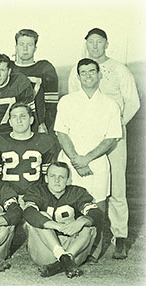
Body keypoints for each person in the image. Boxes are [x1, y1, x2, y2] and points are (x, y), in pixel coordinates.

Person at [68, 28, 140, 259]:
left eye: (100, 42)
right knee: (90, 186)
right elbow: (74, 103)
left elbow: (133, 103)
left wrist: (116, 127)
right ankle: (88, 236)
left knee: (117, 187)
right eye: (91, 42)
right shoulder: (76, 71)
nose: (95, 46)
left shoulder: (120, 69)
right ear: (86, 43)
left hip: (115, 138)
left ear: (107, 44)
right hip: (88, 137)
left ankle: (120, 237)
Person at [55, 58, 121, 260]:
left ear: (99, 74)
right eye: (83, 72)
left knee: (97, 206)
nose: (88, 75)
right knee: (67, 205)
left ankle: (95, 249)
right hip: (70, 161)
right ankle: (68, 246)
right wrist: (76, 159)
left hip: (97, 162)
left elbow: (111, 138)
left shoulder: (111, 105)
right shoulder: (67, 101)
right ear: (78, 76)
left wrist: (87, 159)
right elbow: (61, 133)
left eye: (92, 71)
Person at [22, 162, 104, 278]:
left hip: (74, 250)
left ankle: (62, 262)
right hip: (46, 248)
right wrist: (56, 225)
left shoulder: (77, 192)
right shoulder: (37, 191)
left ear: (68, 180)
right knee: (40, 217)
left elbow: (97, 214)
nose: (57, 180)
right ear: (46, 178)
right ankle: (64, 258)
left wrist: (82, 221)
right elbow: (29, 212)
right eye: (53, 176)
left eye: (61, 177)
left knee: (88, 224)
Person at [0, 103, 60, 197]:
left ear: (31, 120)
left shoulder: (45, 141)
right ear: (10, 122)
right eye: (14, 117)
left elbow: (48, 177)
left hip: (36, 196)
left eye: (23, 116)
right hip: (5, 196)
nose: (19, 120)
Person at [11, 29, 57, 133]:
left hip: (37, 126)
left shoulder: (45, 68)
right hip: (10, 125)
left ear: (35, 48)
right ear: (16, 47)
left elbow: (51, 104)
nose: (25, 49)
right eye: (21, 44)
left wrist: (46, 125)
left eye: (30, 45)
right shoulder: (9, 68)